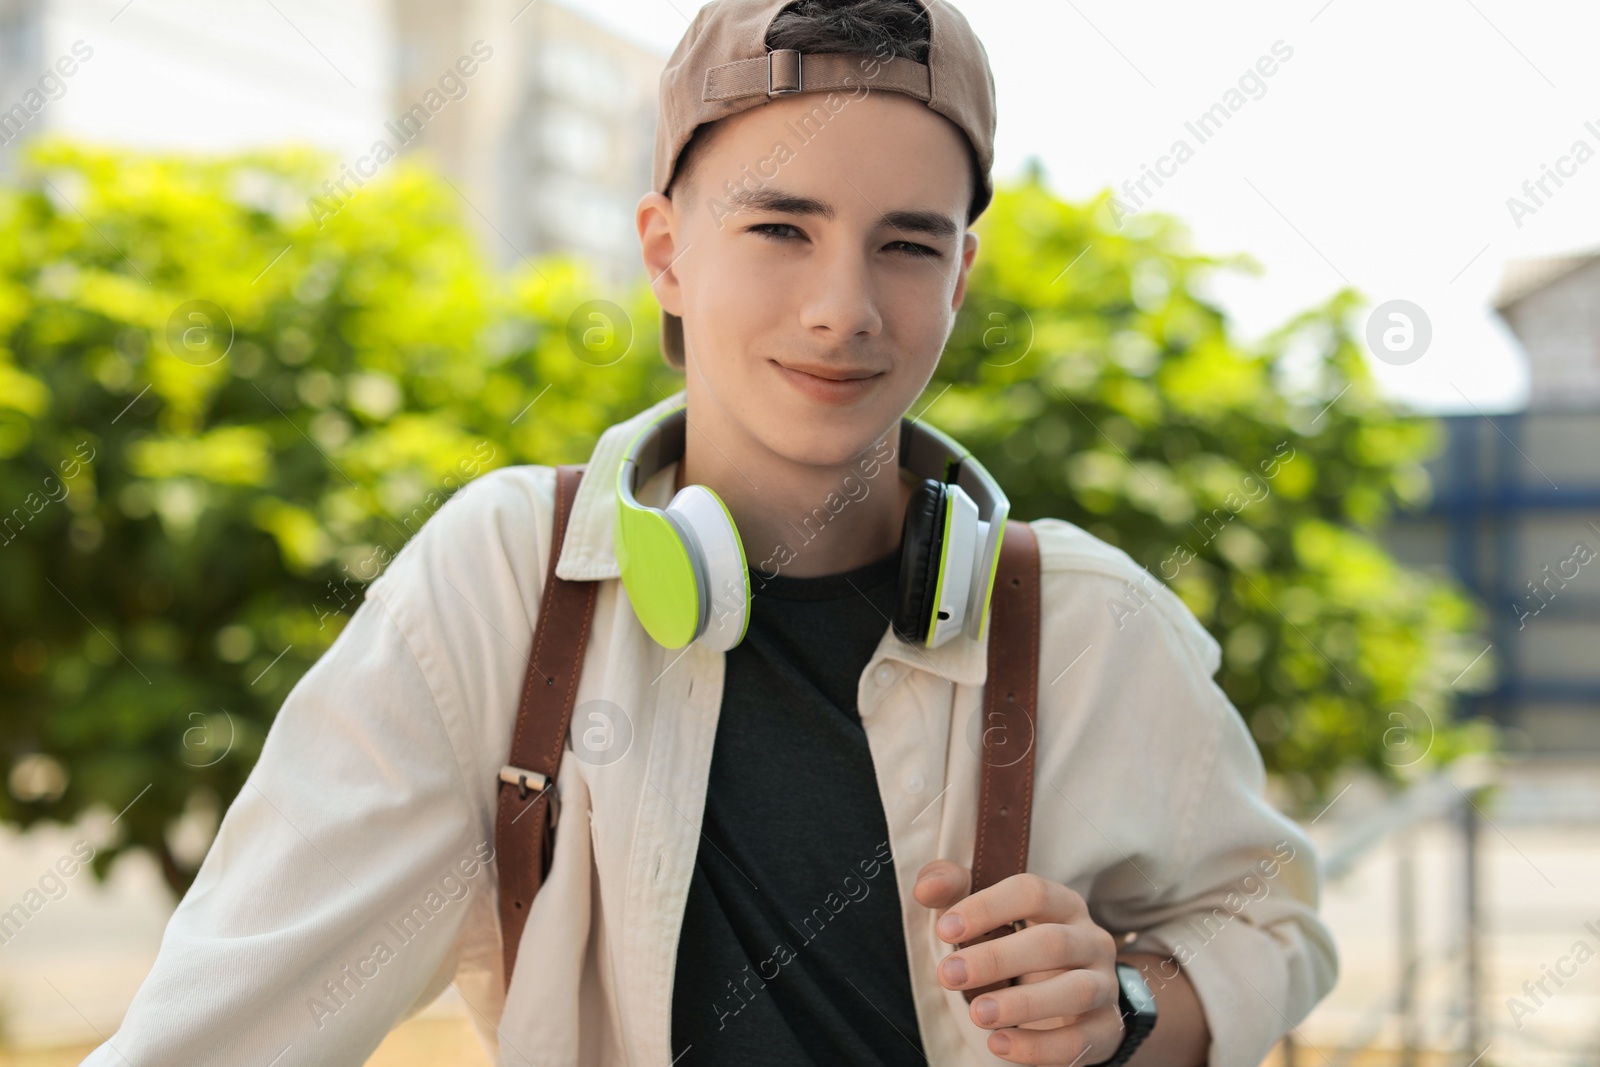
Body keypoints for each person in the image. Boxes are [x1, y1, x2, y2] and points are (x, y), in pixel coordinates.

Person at [83, 1, 1337, 1065]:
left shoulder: (1088, 618)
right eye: (779, 227)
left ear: (960, 278)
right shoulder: (506, 577)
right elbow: (226, 1017)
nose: (842, 310)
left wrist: (1120, 1008)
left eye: (906, 245)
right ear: (666, 250)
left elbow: (1267, 922)